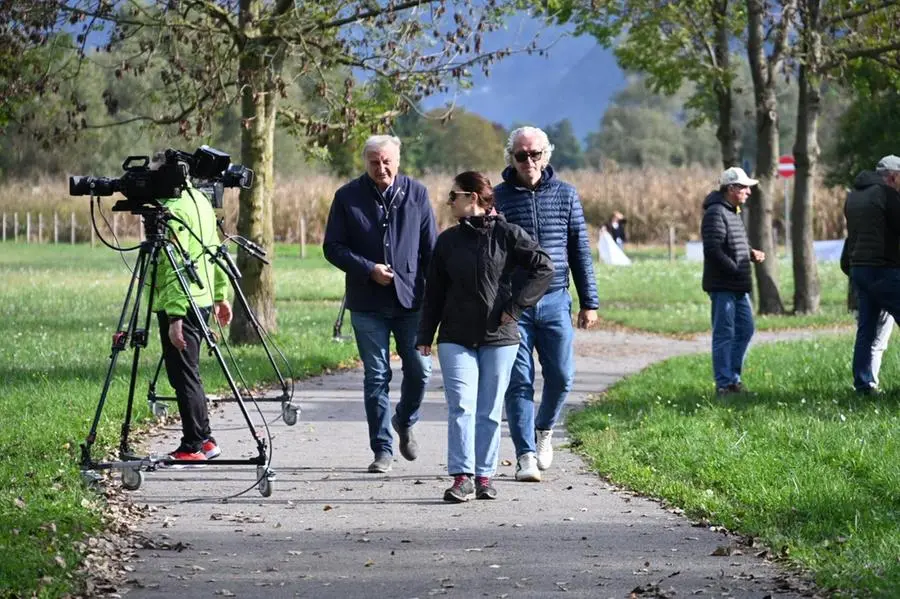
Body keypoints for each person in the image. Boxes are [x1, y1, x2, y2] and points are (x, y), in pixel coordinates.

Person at [416, 171, 553, 502]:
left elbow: (543, 267)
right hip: (455, 336)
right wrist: (425, 334)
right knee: (461, 406)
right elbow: (433, 291)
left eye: (454, 196)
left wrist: (517, 307)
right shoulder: (447, 241)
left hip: (499, 337)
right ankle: (461, 477)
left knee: (489, 410)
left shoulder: (507, 234)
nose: (450, 202)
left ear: (472, 198)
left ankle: (484, 476)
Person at [323, 135, 437, 473]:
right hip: (366, 302)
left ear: (398, 161)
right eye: (374, 161)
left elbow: (431, 250)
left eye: (387, 160)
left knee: (420, 369)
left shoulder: (417, 194)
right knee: (376, 375)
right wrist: (367, 268)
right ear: (365, 162)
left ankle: (404, 419)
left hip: (410, 302)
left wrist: (438, 297)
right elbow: (333, 247)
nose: (381, 167)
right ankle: (382, 450)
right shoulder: (346, 197)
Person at [494, 126, 600, 483]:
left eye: (535, 154)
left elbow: (580, 251)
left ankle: (544, 430)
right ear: (511, 157)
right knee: (518, 381)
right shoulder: (499, 198)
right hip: (514, 305)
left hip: (555, 299)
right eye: (521, 155)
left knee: (562, 376)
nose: (529, 161)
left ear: (546, 155)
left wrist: (590, 302)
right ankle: (524, 455)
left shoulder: (567, 195)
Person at [152, 152, 232, 463]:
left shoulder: (172, 210)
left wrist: (174, 315)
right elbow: (215, 250)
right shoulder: (199, 200)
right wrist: (220, 293)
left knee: (183, 375)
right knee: (190, 372)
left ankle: (194, 444)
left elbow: (174, 267)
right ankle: (206, 439)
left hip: (182, 301)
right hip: (201, 297)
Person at [700, 167, 766, 396]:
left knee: (746, 329)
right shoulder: (715, 213)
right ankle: (724, 384)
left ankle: (732, 379)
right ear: (731, 188)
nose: (748, 191)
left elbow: (733, 243)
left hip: (738, 284)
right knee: (724, 334)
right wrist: (735, 268)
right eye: (744, 187)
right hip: (723, 286)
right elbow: (713, 249)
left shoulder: (732, 211)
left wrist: (750, 253)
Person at [842, 154, 900, 394]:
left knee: (866, 329)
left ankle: (864, 384)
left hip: (859, 269)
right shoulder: (887, 195)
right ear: (894, 177)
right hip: (882, 267)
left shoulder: (854, 196)